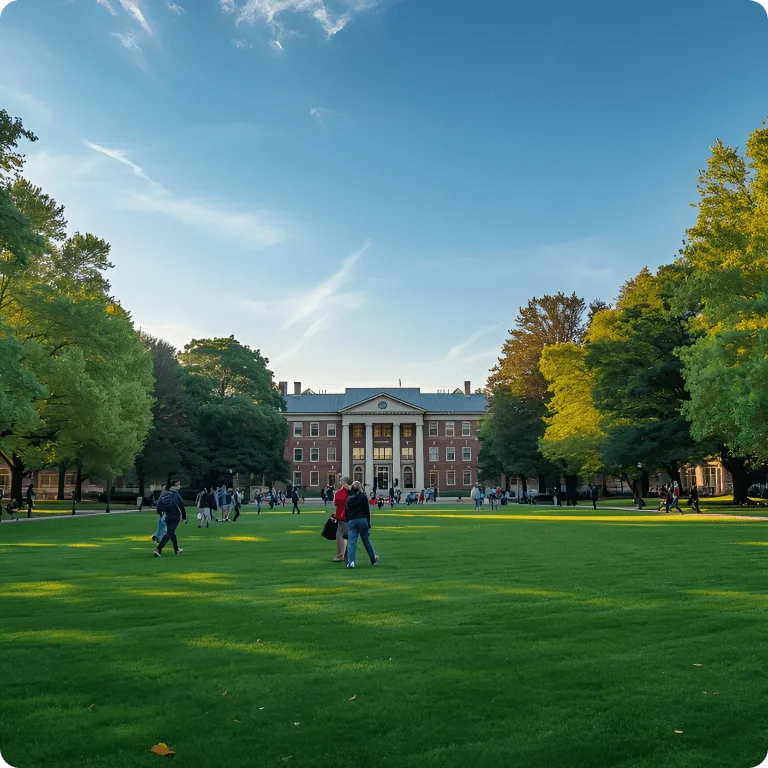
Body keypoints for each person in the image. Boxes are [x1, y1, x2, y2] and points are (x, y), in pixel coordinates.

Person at [344, 480, 379, 569]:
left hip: (352, 520)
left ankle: (351, 562)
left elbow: (346, 511)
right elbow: (367, 510)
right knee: (365, 540)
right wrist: (368, 523)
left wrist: (349, 520)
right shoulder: (363, 496)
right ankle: (373, 558)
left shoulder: (349, 498)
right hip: (362, 519)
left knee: (351, 542)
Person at [153, 480, 186, 556]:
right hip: (175, 516)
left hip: (167, 516)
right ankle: (158, 549)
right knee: (169, 532)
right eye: (178, 485)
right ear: (173, 486)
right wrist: (184, 517)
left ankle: (176, 549)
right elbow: (181, 506)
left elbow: (159, 506)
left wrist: (161, 513)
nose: (179, 486)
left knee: (171, 532)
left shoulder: (164, 494)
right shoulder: (175, 495)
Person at [332, 477, 351, 562]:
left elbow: (336, 503)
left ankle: (340, 555)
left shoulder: (341, 492)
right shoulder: (352, 492)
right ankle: (347, 554)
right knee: (348, 535)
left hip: (342, 516)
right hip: (351, 516)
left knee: (339, 535)